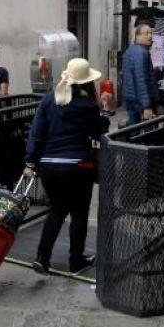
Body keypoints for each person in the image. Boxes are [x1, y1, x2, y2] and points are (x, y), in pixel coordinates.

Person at [24, 58, 110, 274]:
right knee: (79, 214)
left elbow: (36, 133)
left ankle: (42, 257)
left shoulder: (48, 100)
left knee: (56, 211)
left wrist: (30, 161)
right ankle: (75, 260)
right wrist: (105, 112)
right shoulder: (88, 105)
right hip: (79, 165)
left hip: (49, 166)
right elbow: (99, 132)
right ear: (86, 82)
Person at [122, 24, 157, 125]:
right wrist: (146, 106)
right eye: (147, 33)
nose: (150, 36)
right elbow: (140, 79)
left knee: (133, 129)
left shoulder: (129, 51)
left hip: (130, 98)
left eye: (151, 33)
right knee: (148, 131)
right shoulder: (141, 53)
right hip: (140, 100)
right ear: (137, 35)